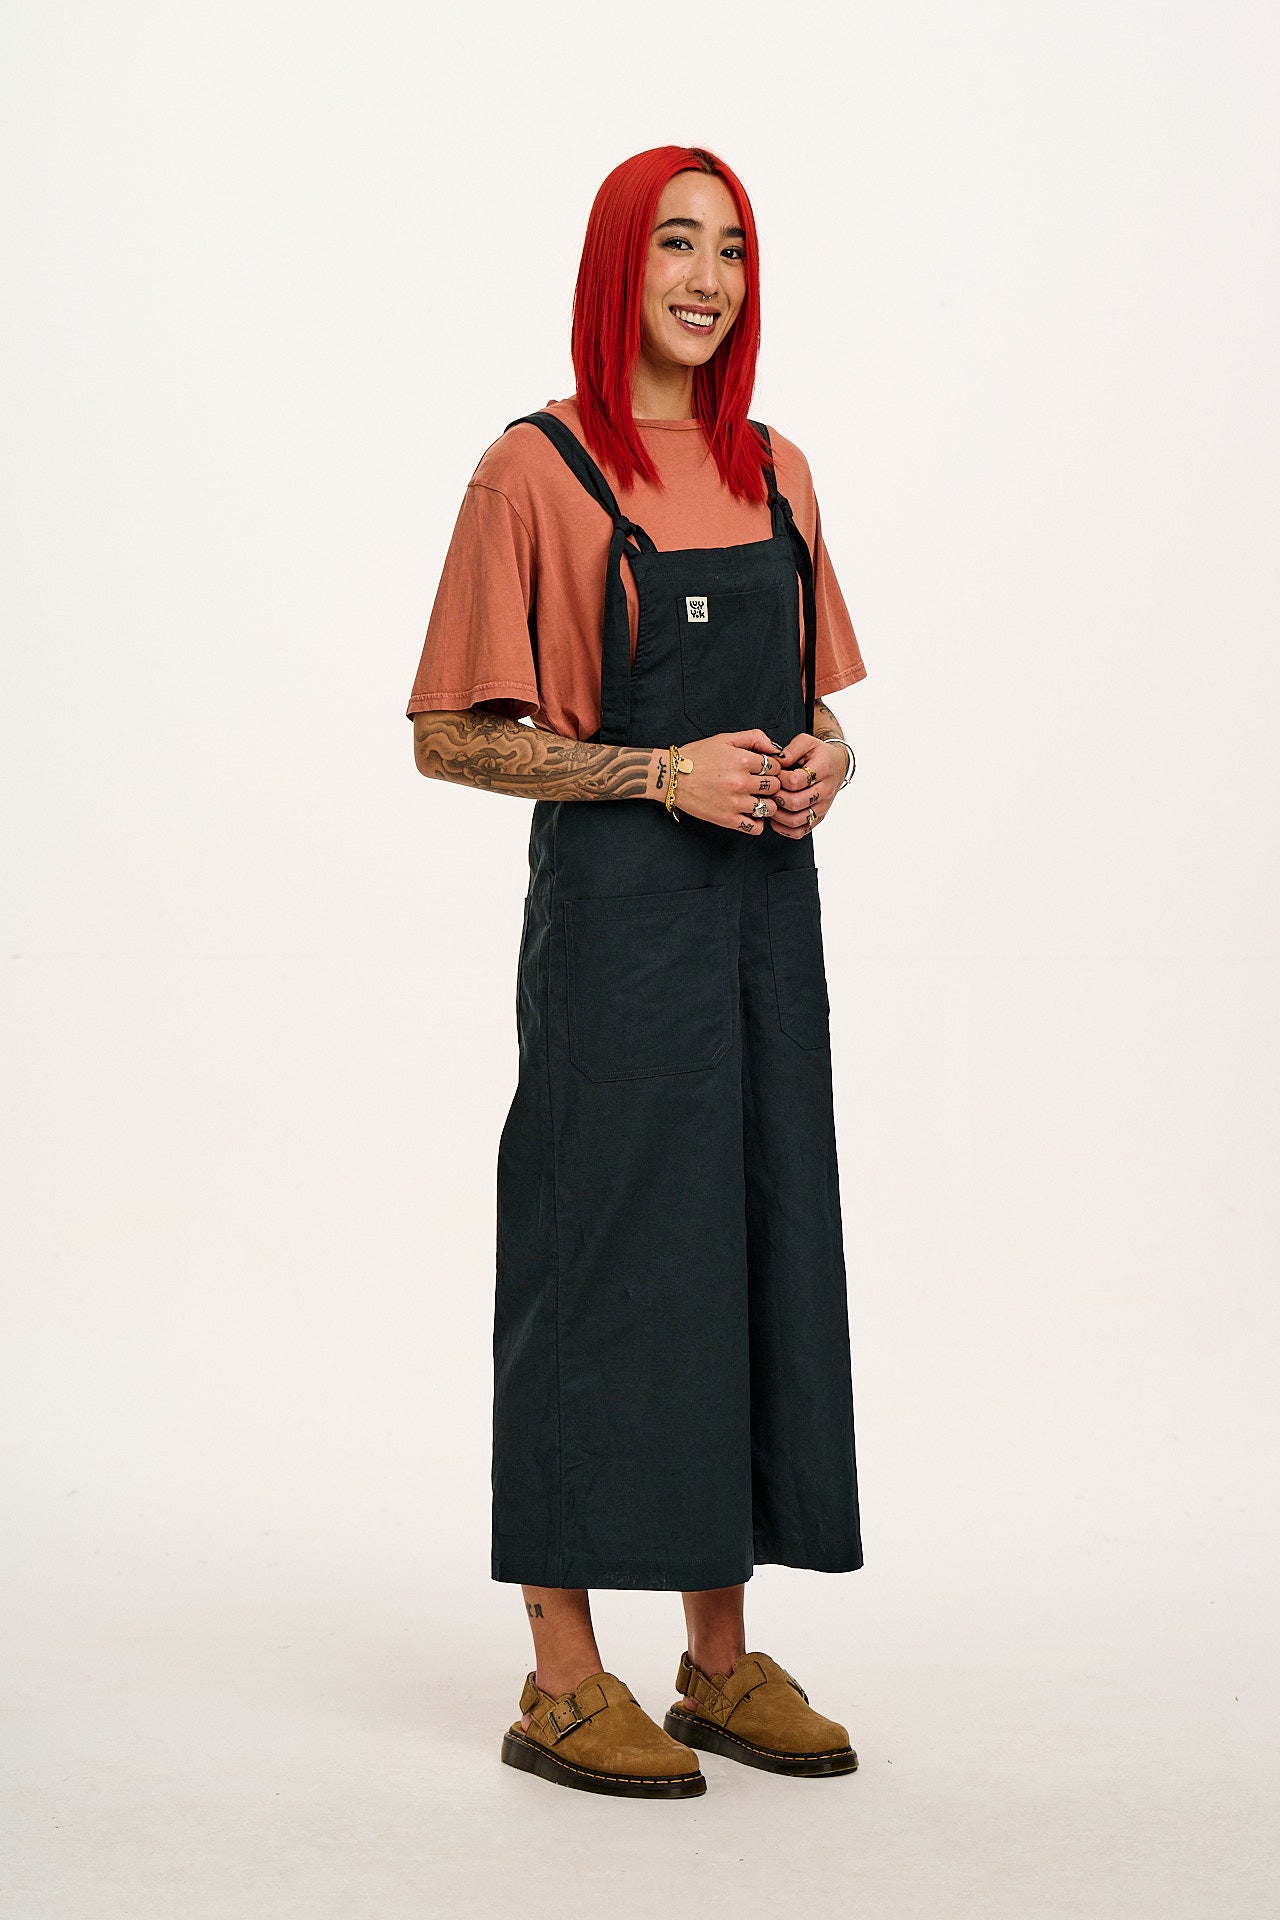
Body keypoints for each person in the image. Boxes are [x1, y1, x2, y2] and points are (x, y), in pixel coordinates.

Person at [406, 144, 867, 1801]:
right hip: (617, 940)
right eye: (676, 243)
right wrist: (657, 773)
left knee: (747, 1256)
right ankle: (560, 1675)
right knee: (598, 1267)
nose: (707, 279)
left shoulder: (779, 471)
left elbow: (820, 706)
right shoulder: (531, 471)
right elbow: (450, 734)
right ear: (619, 265)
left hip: (765, 935)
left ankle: (718, 1665)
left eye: (731, 250)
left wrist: (829, 763)